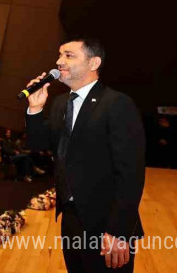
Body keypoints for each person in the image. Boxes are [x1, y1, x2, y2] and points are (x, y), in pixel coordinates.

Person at [24, 38, 145, 272]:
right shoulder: (60, 103)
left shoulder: (117, 104)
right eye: (59, 55)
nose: (59, 61)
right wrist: (35, 109)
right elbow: (38, 144)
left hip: (106, 222)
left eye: (69, 55)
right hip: (70, 218)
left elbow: (131, 174)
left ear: (94, 62)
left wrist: (119, 232)